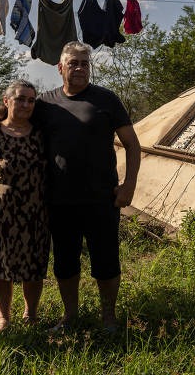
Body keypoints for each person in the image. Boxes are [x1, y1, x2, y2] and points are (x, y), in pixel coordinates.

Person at [34, 41, 141, 333]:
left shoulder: (107, 100)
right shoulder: (45, 103)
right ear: (60, 68)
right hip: (59, 200)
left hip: (102, 198)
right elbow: (12, 120)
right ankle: (70, 318)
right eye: (73, 63)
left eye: (84, 63)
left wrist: (129, 185)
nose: (80, 68)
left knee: (106, 263)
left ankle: (109, 318)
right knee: (65, 264)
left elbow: (132, 144)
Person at [0, 80, 49, 336]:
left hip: (35, 212)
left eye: (31, 100)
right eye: (20, 99)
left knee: (33, 266)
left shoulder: (41, 131)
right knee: (0, 266)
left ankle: (31, 314)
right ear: (6, 101)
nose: (26, 104)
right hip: (0, 213)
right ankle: (4, 317)